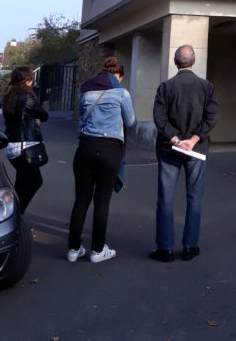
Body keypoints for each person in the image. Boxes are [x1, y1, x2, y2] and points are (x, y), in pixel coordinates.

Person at [149, 44, 219, 262]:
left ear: (175, 62)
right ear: (194, 61)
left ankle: (165, 249)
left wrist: (176, 140)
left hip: (169, 149)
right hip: (197, 150)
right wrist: (194, 139)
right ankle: (190, 247)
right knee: (194, 198)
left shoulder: (165, 87)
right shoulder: (206, 87)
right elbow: (212, 116)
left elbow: (159, 118)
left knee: (165, 199)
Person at [67, 56, 135, 264]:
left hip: (86, 147)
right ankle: (97, 250)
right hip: (109, 149)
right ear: (118, 75)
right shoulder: (121, 93)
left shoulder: (86, 91)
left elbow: (81, 122)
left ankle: (73, 249)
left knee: (81, 199)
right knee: (102, 201)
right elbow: (131, 122)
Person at [1, 66, 49, 213]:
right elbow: (44, 115)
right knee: (36, 181)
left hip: (11, 147)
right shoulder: (27, 97)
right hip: (25, 148)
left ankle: (13, 214)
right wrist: (38, 116)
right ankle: (14, 214)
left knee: (21, 182)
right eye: (31, 80)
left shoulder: (8, 97)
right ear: (27, 81)